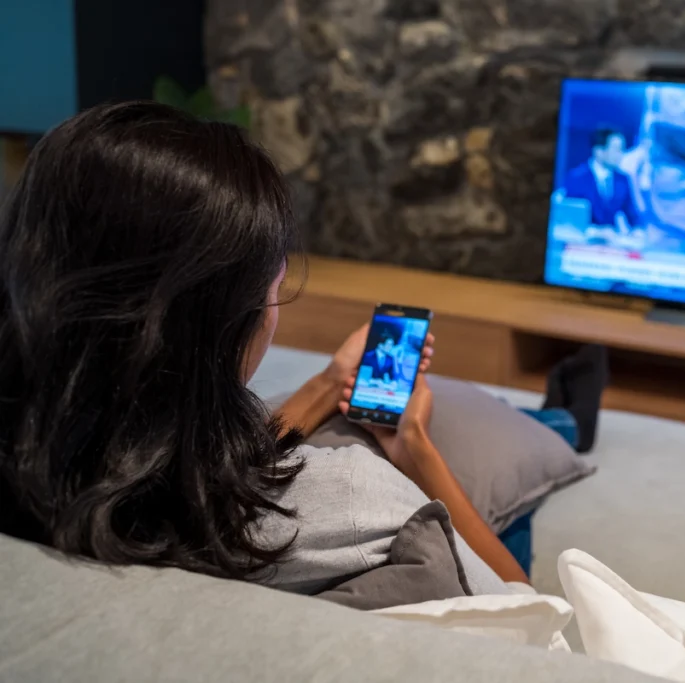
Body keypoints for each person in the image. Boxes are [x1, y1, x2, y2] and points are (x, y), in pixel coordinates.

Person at [0, 102, 529, 595]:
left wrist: (326, 384)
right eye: (275, 291)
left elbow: (195, 457)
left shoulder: (50, 469)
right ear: (222, 324)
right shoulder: (354, 496)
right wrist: (413, 446)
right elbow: (529, 609)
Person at [563, 127, 640, 234]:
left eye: (622, 149)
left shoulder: (622, 179)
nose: (621, 154)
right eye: (616, 149)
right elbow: (569, 217)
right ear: (599, 151)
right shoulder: (577, 178)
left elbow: (632, 214)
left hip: (611, 241)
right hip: (582, 241)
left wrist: (638, 230)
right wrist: (594, 231)